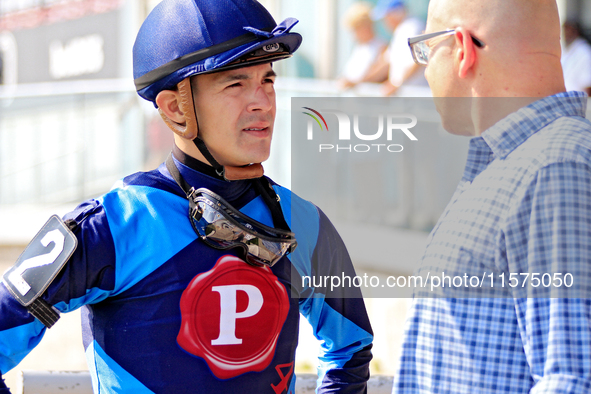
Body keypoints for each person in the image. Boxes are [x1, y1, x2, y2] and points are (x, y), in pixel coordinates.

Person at [0, 0, 373, 393]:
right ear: (176, 108)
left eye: (268, 80)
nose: (262, 101)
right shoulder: (110, 227)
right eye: (236, 84)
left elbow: (351, 350)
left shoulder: (305, 221)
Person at [395, 0, 591, 392]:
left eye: (427, 50)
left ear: (463, 49)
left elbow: (571, 380)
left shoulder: (555, 167)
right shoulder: (521, 165)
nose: (424, 68)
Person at [364, 0, 426, 96]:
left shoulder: (414, 27)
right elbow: (385, 62)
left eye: (386, 16)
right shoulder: (400, 30)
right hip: (406, 95)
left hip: (416, 93)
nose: (385, 22)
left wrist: (397, 84)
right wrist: (362, 81)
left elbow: (420, 59)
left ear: (395, 13)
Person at [338, 2, 387, 90]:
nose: (354, 34)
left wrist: (356, 83)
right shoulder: (359, 48)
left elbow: (380, 73)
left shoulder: (381, 47)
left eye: (356, 29)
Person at [561, 20, 591, 96]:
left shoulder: (584, 52)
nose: (565, 33)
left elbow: (588, 85)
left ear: (576, 32)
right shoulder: (565, 50)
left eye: (568, 30)